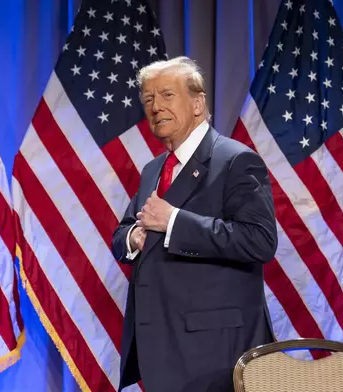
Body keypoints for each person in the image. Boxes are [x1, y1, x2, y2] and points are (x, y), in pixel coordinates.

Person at [112, 56, 277, 392]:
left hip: (214, 355)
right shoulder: (153, 170)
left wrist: (174, 222)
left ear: (198, 103)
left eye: (167, 95)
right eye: (148, 99)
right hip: (161, 350)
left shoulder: (235, 160)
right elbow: (122, 233)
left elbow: (260, 240)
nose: (155, 107)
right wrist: (135, 236)